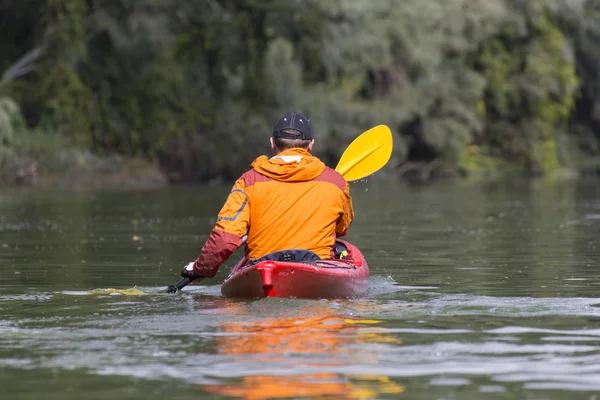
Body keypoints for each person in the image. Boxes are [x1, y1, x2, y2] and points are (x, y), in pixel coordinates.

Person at [181, 112, 354, 280]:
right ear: (311, 145)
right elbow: (342, 228)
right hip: (317, 267)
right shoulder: (336, 182)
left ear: (272, 143)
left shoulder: (248, 181)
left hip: (262, 269)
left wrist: (200, 269)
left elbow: (225, 238)